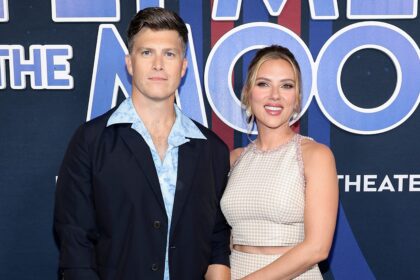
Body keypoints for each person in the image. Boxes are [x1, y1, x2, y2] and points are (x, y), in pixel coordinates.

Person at [54, 7, 230, 280]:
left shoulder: (212, 150)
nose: (158, 64)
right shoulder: (91, 141)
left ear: (183, 66)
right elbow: (75, 240)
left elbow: (217, 237)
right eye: (147, 52)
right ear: (129, 62)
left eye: (169, 54)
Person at [221, 45, 338, 279]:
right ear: (247, 93)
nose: (275, 95)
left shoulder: (315, 155)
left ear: (296, 99)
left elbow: (317, 248)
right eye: (263, 84)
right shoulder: (233, 159)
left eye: (286, 86)